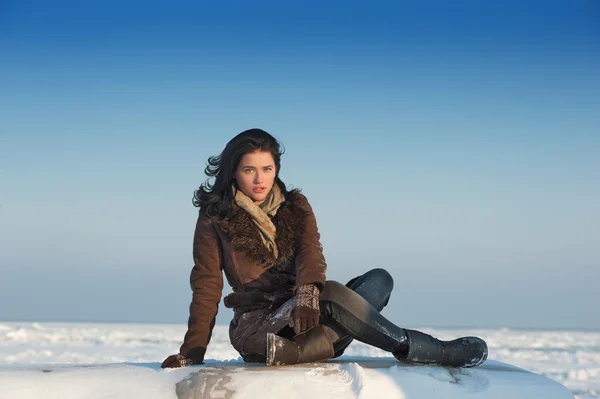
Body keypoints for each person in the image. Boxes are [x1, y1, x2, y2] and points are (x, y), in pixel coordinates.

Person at [161, 128, 488, 368]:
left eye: (267, 169)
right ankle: (424, 349)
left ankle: (301, 351)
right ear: (234, 171)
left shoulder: (296, 206)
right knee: (330, 294)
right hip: (259, 327)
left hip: (304, 314)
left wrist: (306, 295)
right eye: (249, 170)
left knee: (378, 280)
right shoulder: (215, 217)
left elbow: (310, 253)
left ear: (276, 170)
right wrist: (193, 352)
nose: (259, 179)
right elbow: (206, 285)